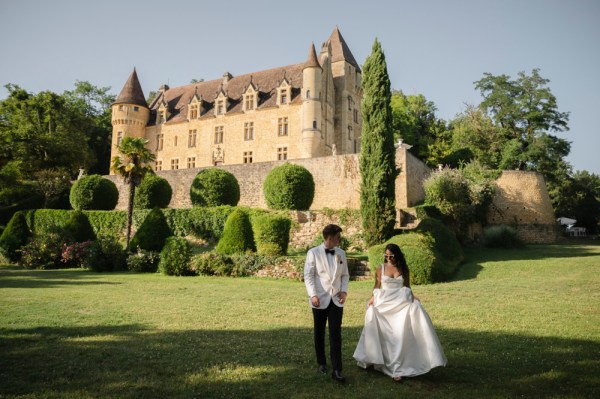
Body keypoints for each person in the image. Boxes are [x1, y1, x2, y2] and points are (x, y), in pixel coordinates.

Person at [353, 243, 447, 381]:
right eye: (386, 256)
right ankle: (383, 360)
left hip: (400, 302)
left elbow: (407, 286)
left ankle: (406, 362)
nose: (389, 258)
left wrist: (413, 297)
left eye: (391, 256)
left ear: (397, 255)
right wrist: (372, 297)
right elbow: (377, 286)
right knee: (374, 315)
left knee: (415, 310)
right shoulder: (380, 268)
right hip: (385, 303)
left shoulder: (403, 268)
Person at [304, 224, 350, 383]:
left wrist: (344, 291)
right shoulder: (313, 253)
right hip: (319, 299)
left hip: (336, 299)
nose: (340, 240)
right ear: (330, 238)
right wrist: (313, 295)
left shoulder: (341, 253)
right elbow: (308, 276)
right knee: (319, 332)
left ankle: (337, 369)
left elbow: (345, 275)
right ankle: (322, 362)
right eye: (338, 237)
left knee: (336, 334)